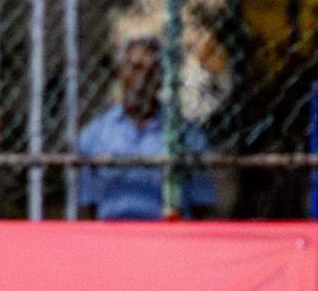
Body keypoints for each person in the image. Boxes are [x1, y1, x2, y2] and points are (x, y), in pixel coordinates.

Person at [76, 37, 216, 221]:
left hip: (169, 238)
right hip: (113, 236)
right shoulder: (94, 135)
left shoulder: (187, 135)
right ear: (119, 72)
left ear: (162, 78)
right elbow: (89, 202)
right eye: (134, 68)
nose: (142, 79)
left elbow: (201, 202)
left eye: (152, 71)